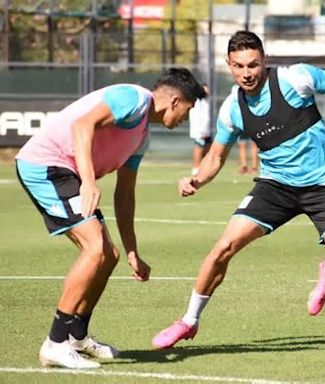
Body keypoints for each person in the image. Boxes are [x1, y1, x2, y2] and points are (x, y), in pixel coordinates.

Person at [152, 31, 325, 349]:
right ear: (229, 65)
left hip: (323, 185)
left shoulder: (295, 79)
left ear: (264, 60)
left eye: (253, 64)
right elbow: (215, 156)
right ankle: (188, 321)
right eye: (239, 66)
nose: (247, 73)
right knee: (223, 248)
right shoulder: (232, 108)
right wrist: (196, 178)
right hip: (275, 186)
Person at [15, 68, 205, 369]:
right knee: (95, 249)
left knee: (110, 255)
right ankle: (55, 342)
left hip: (68, 173)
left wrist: (132, 251)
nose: (186, 118)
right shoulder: (133, 99)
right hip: (46, 166)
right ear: (175, 101)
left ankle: (77, 336)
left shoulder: (141, 137)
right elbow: (82, 126)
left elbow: (125, 194)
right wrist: (89, 182)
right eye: (188, 110)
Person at [189, 84, 213, 176]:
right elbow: (197, 118)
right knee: (199, 148)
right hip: (200, 131)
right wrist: (201, 131)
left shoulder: (207, 101)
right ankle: (196, 168)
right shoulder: (197, 102)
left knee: (208, 150)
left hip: (208, 130)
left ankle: (204, 169)